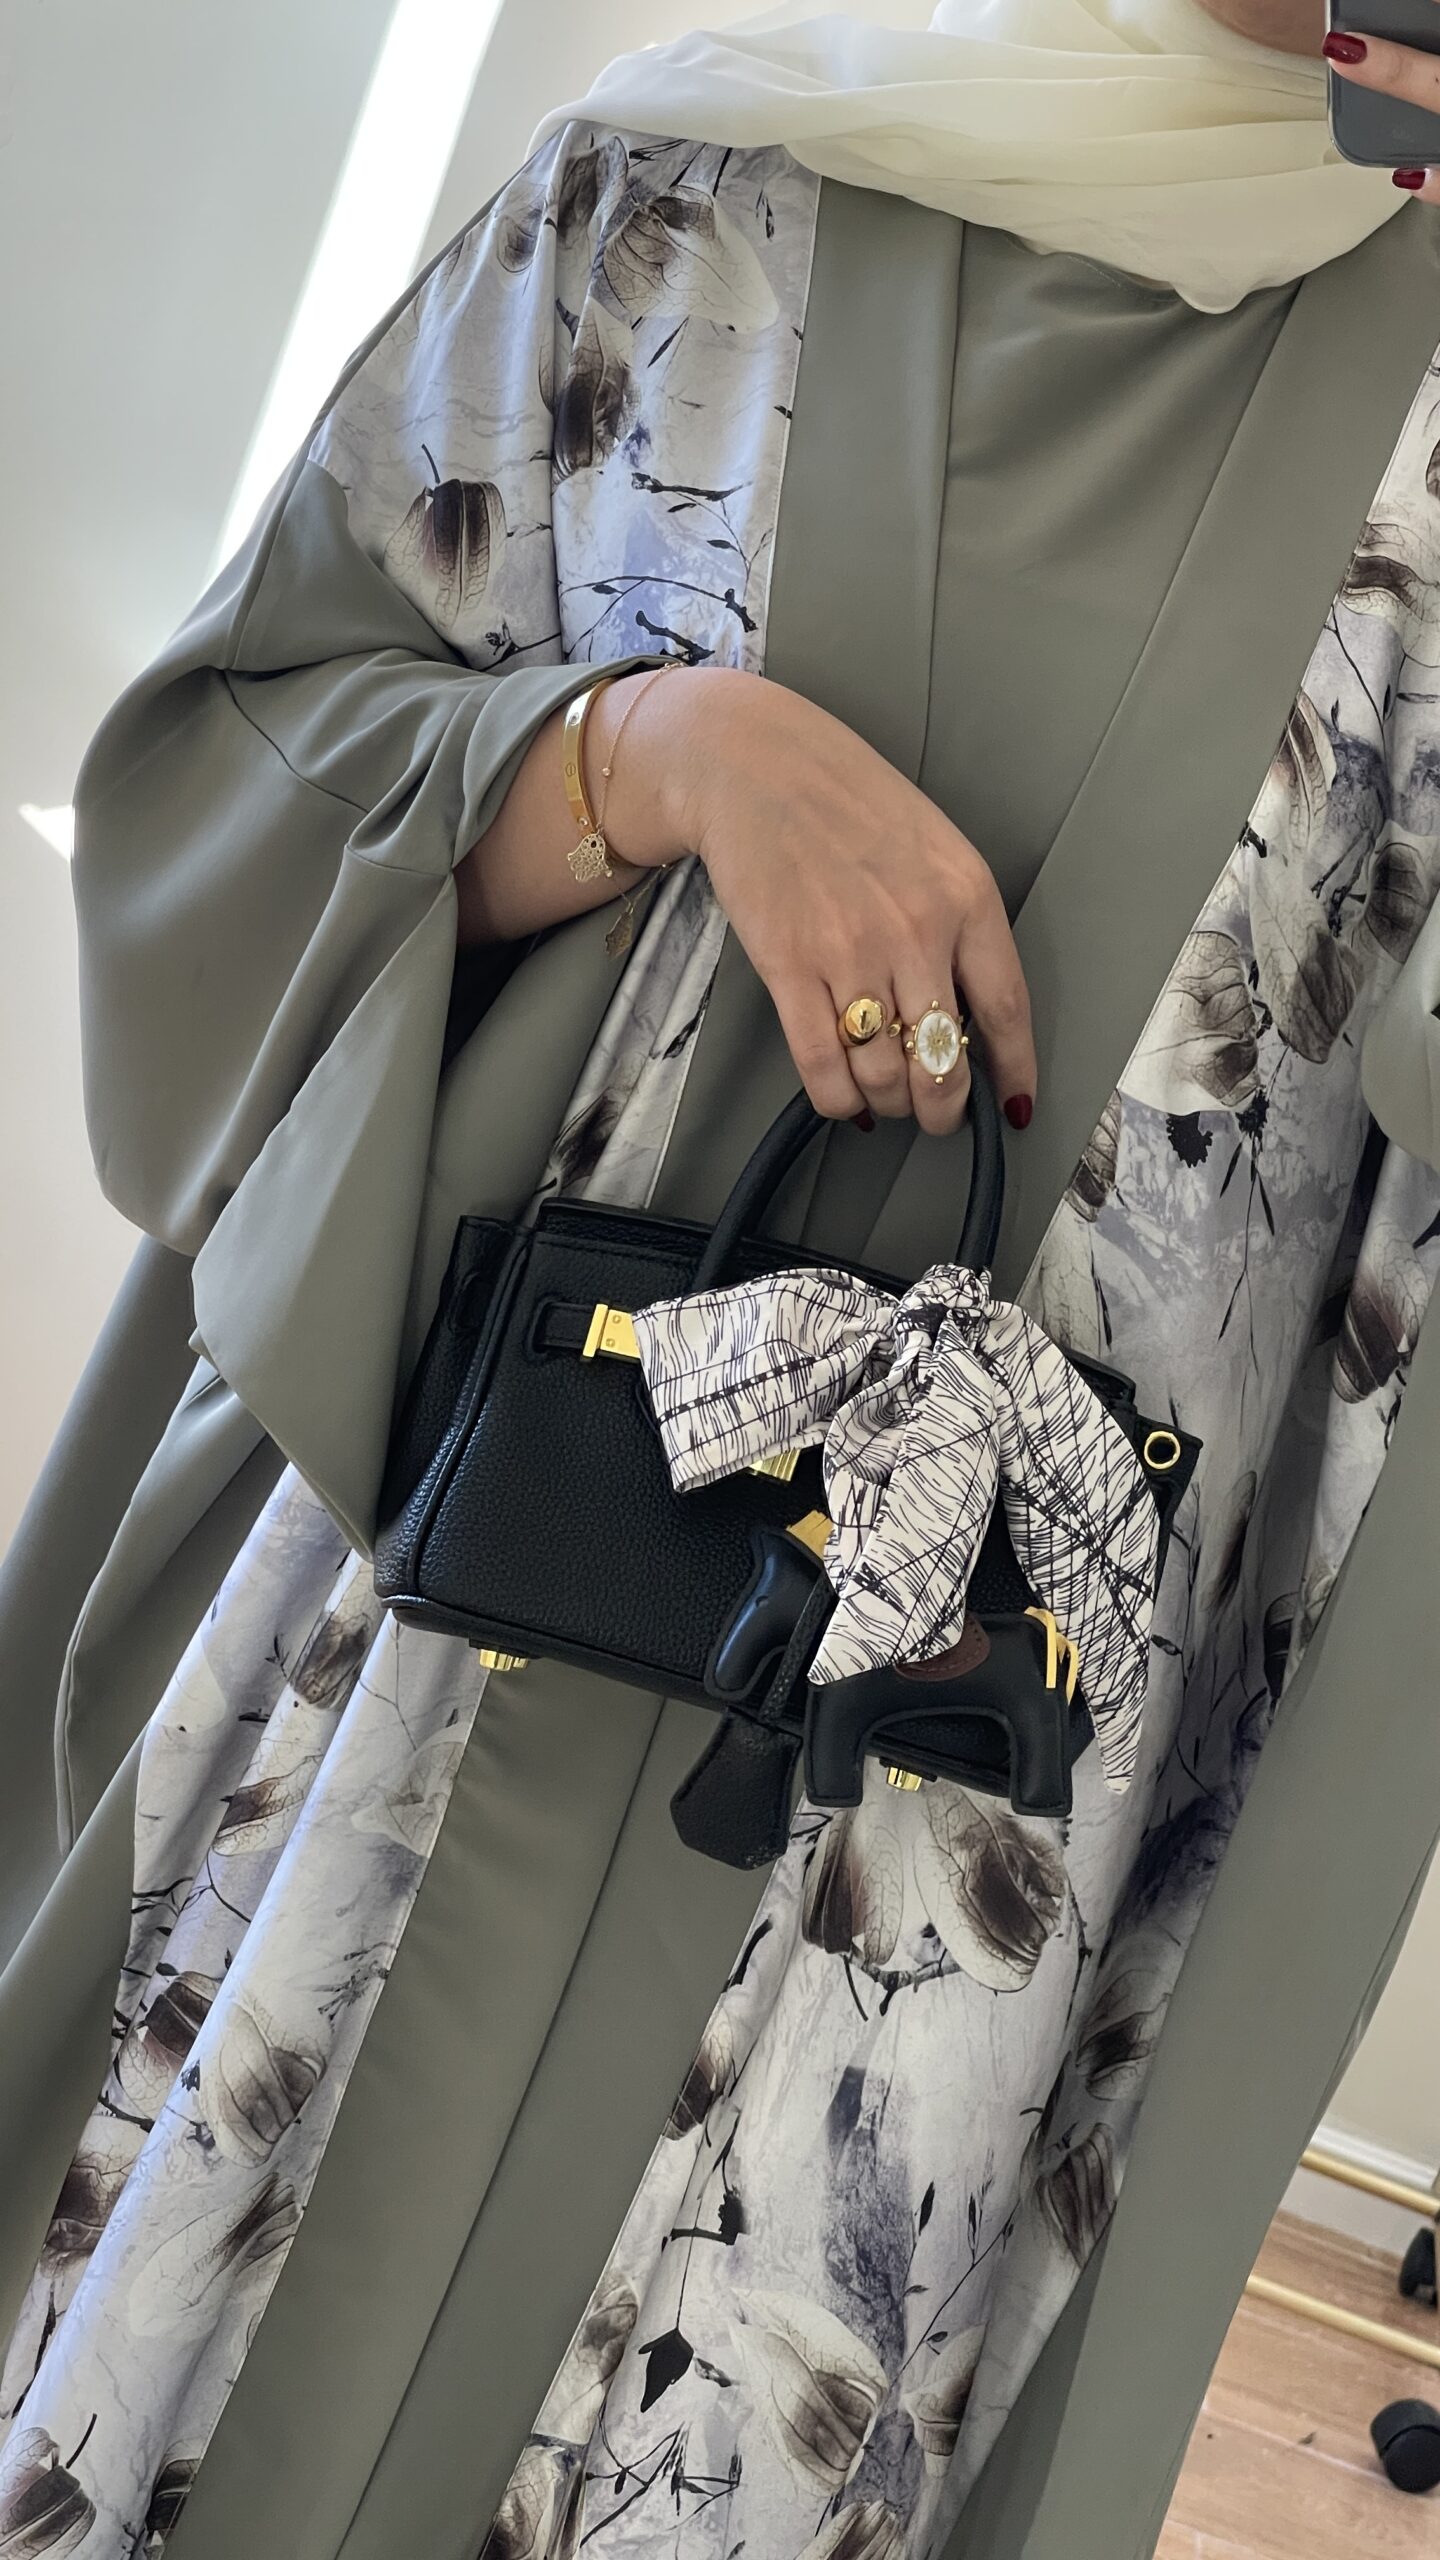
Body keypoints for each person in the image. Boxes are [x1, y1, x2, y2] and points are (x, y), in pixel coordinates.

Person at [2, 5, 1440, 2556]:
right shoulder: (697, 186)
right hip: (407, 1659)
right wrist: (650, 757)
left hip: (925, 1883)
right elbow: (234, 773)